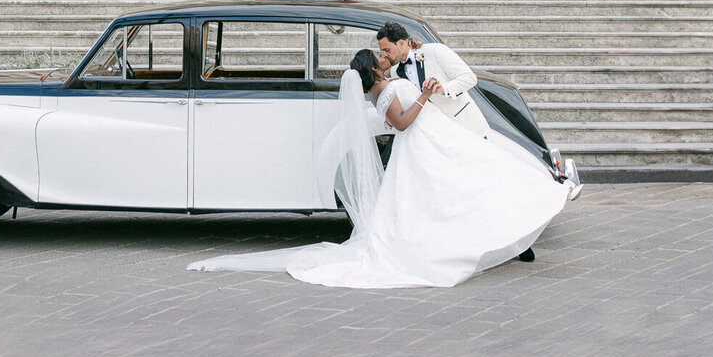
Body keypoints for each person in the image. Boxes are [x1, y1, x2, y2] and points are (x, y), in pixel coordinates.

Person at [188, 49, 574, 290]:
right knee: (456, 190)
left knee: (472, 181)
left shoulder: (387, 84)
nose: (383, 57)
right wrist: (423, 95)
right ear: (373, 69)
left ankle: (507, 235)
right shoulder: (383, 92)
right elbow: (403, 123)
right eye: (379, 57)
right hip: (423, 144)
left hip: (438, 139)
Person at [376, 20, 489, 137]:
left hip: (466, 127)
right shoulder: (395, 73)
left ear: (401, 43)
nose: (384, 55)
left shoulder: (436, 51)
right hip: (434, 136)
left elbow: (469, 78)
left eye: (387, 50)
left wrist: (443, 89)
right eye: (382, 51)